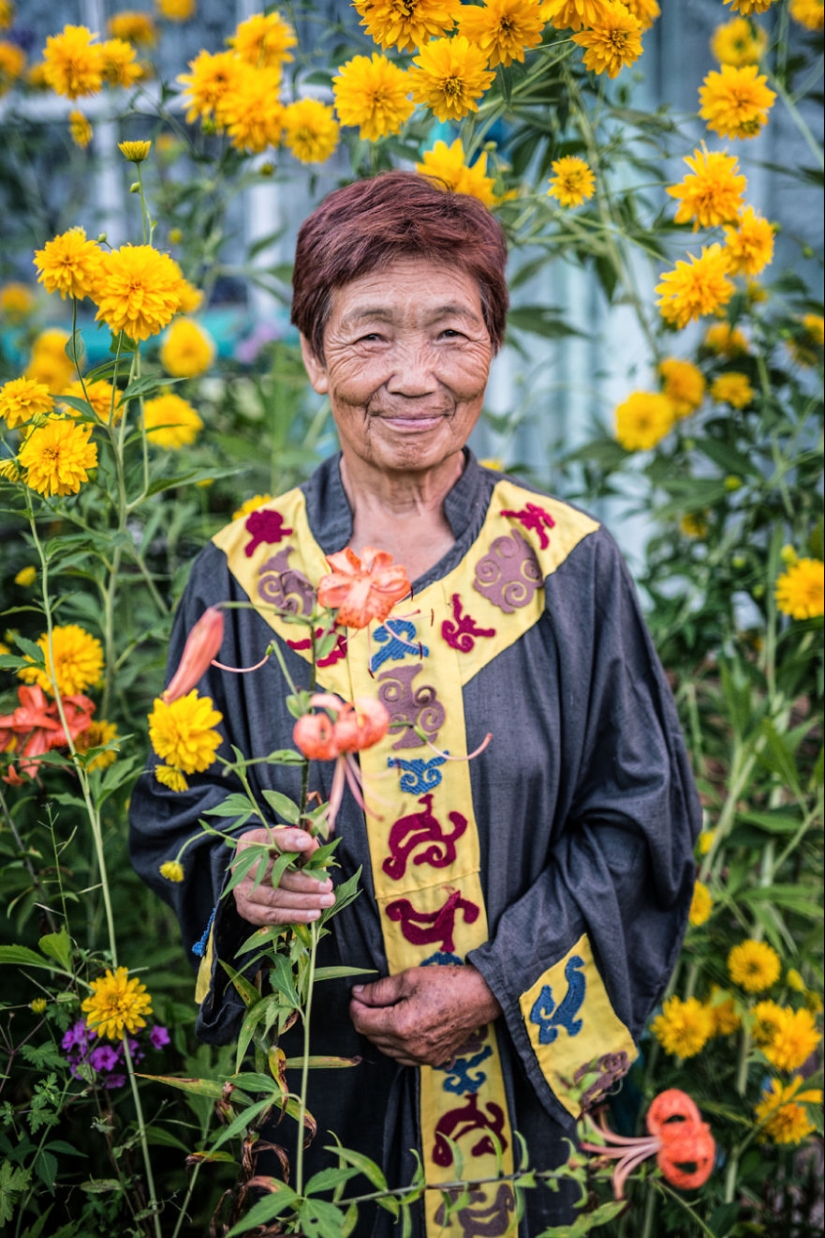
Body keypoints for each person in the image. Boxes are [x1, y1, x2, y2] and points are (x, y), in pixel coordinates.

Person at [129, 171, 701, 1238]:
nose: (413, 376)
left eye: (450, 332)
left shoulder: (565, 565)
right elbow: (171, 805)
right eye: (369, 336)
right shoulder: (243, 573)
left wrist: (495, 980)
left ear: (492, 347)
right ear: (313, 357)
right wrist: (237, 870)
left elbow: (638, 819)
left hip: (523, 1089)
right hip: (319, 1092)